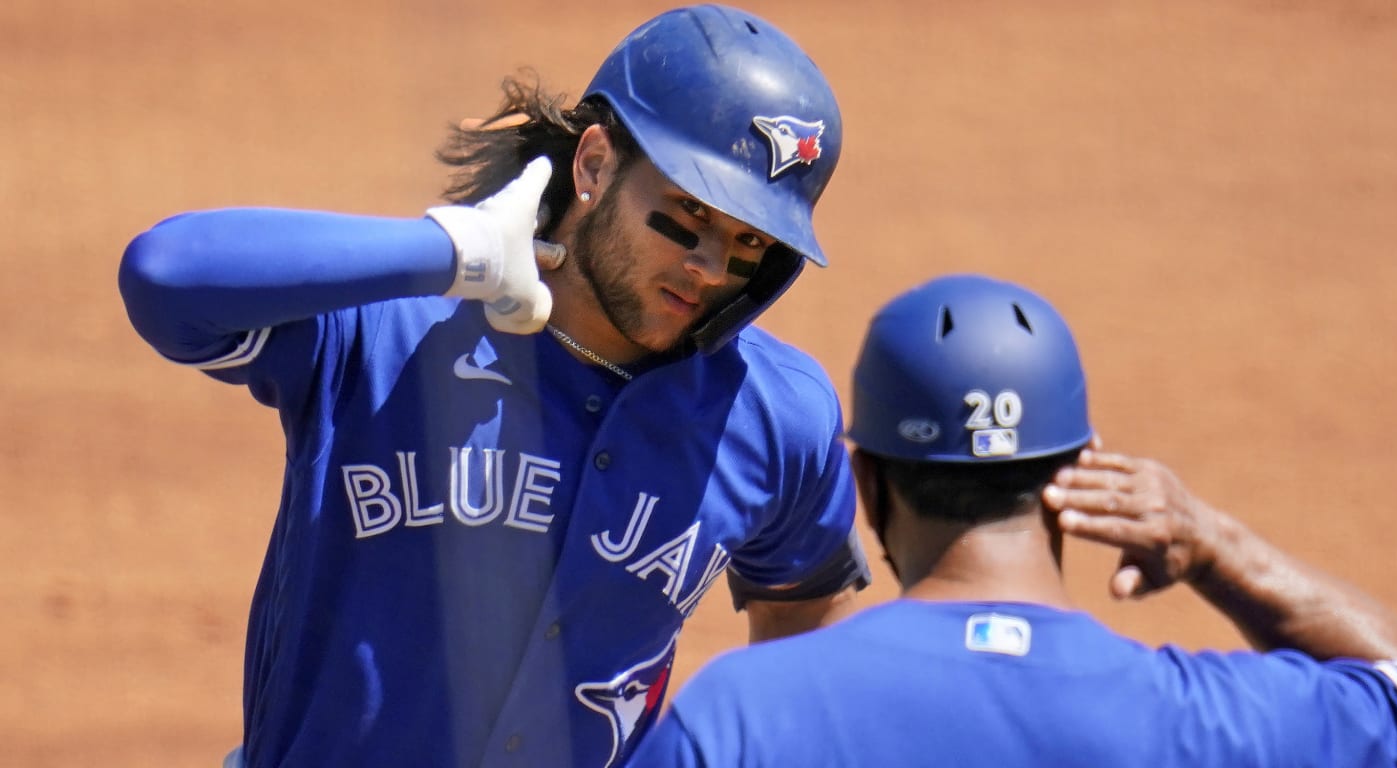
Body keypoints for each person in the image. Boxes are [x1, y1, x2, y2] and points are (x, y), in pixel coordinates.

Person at [117, 5, 871, 767]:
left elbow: (812, 605)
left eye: (749, 242)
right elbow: (163, 278)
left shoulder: (775, 417)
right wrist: (449, 250)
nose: (710, 266)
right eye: (688, 213)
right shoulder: (391, 329)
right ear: (596, 165)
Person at [628, 273, 1397, 767]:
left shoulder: (741, 717)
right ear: (1084, 471)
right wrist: (1211, 543)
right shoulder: (1204, 719)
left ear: (865, 484)